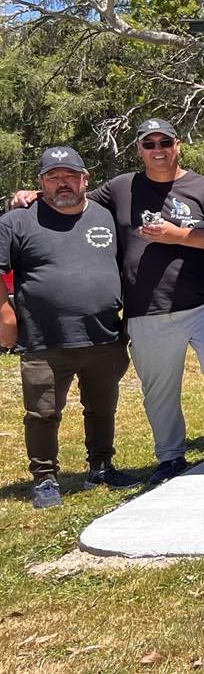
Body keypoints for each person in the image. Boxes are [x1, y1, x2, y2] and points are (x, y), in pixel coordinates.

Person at [13, 120, 204, 482]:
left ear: (178, 145)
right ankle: (170, 456)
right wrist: (32, 194)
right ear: (139, 149)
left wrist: (179, 235)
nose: (158, 149)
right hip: (146, 308)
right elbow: (71, 201)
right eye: (149, 143)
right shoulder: (121, 187)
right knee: (158, 387)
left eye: (165, 141)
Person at [0, 147, 140, 509]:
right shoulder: (17, 221)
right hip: (45, 339)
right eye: (53, 177)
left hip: (104, 335)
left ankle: (102, 467)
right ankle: (45, 479)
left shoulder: (107, 217)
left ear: (85, 179)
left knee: (102, 406)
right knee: (43, 413)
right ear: (41, 183)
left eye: (70, 176)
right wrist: (6, 315)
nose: (63, 183)